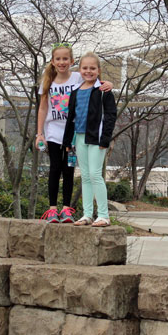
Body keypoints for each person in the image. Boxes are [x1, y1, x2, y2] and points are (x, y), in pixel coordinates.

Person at [36, 42, 112, 223]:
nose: (62, 62)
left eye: (65, 58)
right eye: (58, 59)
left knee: (74, 170)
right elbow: (42, 108)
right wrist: (40, 133)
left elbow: (95, 81)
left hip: (81, 132)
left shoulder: (79, 78)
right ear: (53, 61)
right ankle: (55, 209)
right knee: (58, 168)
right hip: (59, 132)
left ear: (71, 61)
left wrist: (108, 83)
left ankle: (72, 210)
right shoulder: (48, 81)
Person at [63, 51, 117, 227]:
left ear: (99, 70)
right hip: (79, 137)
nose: (88, 71)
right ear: (79, 70)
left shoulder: (103, 90)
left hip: (97, 138)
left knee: (95, 175)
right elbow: (71, 118)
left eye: (92, 68)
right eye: (85, 68)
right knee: (85, 176)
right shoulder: (75, 91)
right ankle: (87, 215)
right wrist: (68, 142)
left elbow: (110, 115)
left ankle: (103, 215)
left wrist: (105, 139)